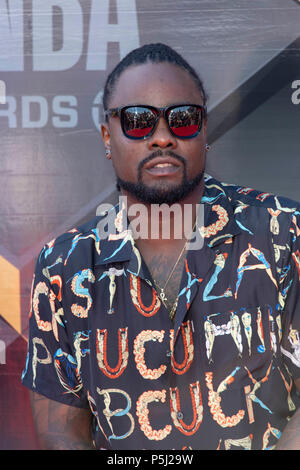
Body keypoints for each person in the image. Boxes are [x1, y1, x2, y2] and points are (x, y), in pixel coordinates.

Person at [21, 43, 300, 450]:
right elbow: (59, 428)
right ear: (107, 135)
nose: (163, 138)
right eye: (138, 121)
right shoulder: (65, 267)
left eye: (183, 119)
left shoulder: (284, 234)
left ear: (204, 131)